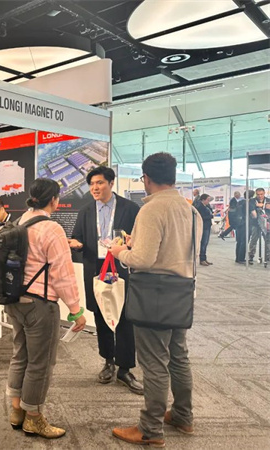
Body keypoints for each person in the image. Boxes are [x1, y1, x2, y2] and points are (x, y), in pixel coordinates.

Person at [109, 152, 202, 448]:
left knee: (154, 363)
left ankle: (150, 429)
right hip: (181, 292)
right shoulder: (191, 210)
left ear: (146, 179)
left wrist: (120, 252)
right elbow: (181, 251)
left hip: (154, 294)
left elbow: (143, 260)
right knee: (179, 356)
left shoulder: (151, 210)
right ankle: (183, 416)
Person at [7, 178, 85, 439]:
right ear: (54, 200)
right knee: (40, 363)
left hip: (15, 301)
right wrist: (76, 310)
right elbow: (63, 274)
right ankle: (34, 418)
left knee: (20, 355)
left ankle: (16, 411)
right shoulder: (51, 229)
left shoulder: (19, 222)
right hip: (40, 305)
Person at [68, 166, 143, 394]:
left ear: (111, 183)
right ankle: (108, 361)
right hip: (96, 268)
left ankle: (125, 368)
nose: (95, 188)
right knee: (102, 316)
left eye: (99, 183)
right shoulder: (86, 211)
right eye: (92, 184)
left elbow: (140, 239)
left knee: (124, 316)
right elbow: (77, 237)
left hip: (121, 267)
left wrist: (130, 244)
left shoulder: (130, 208)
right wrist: (76, 244)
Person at [247, 188, 270, 265]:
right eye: (258, 194)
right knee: (254, 240)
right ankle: (251, 256)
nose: (260, 196)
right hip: (255, 224)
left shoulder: (268, 200)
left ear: (264, 193)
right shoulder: (252, 201)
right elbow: (251, 209)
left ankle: (268, 256)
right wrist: (265, 206)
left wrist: (262, 205)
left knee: (268, 240)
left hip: (266, 224)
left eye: (261, 194)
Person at [194, 194, 214, 266]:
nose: (208, 201)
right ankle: (202, 259)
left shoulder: (206, 206)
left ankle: (204, 258)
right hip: (203, 226)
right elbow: (201, 217)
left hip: (207, 226)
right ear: (203, 199)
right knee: (203, 243)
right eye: (207, 200)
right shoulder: (199, 207)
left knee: (205, 243)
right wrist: (211, 216)